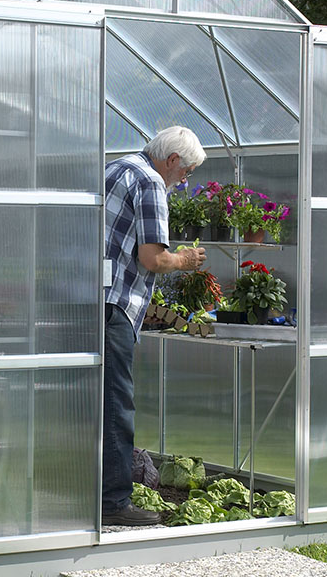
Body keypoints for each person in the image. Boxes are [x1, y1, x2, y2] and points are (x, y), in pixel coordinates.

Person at [102, 126, 207, 526]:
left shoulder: (116, 168)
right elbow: (152, 258)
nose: (184, 180)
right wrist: (185, 260)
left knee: (87, 403)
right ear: (172, 160)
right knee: (116, 405)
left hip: (87, 298)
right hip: (114, 306)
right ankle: (112, 504)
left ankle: (78, 488)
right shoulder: (150, 182)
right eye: (186, 172)